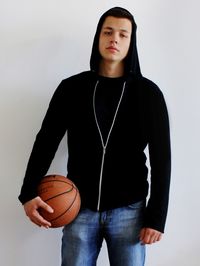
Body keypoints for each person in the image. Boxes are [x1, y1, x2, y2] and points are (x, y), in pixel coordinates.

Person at [19, 6, 171, 266]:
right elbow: (46, 140)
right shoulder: (71, 89)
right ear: (98, 38)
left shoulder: (148, 94)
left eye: (123, 35)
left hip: (130, 212)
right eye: (108, 32)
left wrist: (157, 217)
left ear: (131, 43)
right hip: (78, 208)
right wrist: (28, 191)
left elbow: (162, 158)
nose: (114, 39)